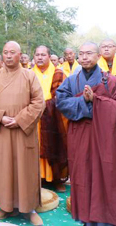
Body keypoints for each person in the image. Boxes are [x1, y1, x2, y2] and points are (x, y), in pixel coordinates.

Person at [56, 42, 116, 226]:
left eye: (89, 53)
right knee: (83, 177)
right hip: (80, 136)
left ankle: (105, 220)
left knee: (105, 175)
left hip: (104, 138)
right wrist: (86, 105)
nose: (84, 57)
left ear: (97, 56)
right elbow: (61, 103)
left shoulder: (111, 81)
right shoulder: (71, 80)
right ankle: (87, 219)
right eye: (81, 54)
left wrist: (96, 101)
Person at [0, 41, 45, 225]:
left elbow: (38, 102)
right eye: (5, 52)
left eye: (12, 52)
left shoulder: (29, 75)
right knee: (3, 168)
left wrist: (20, 119)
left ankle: (29, 208)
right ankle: (5, 206)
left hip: (24, 130)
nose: (8, 56)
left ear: (19, 55)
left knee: (26, 169)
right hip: (1, 131)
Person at [32, 46, 68, 192]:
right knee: (34, 148)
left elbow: (65, 95)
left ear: (49, 56)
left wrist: (46, 105)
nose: (40, 57)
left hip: (54, 119)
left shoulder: (59, 73)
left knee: (55, 145)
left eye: (43, 55)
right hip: (33, 119)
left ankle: (56, 178)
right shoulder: (28, 73)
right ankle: (37, 177)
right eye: (37, 55)